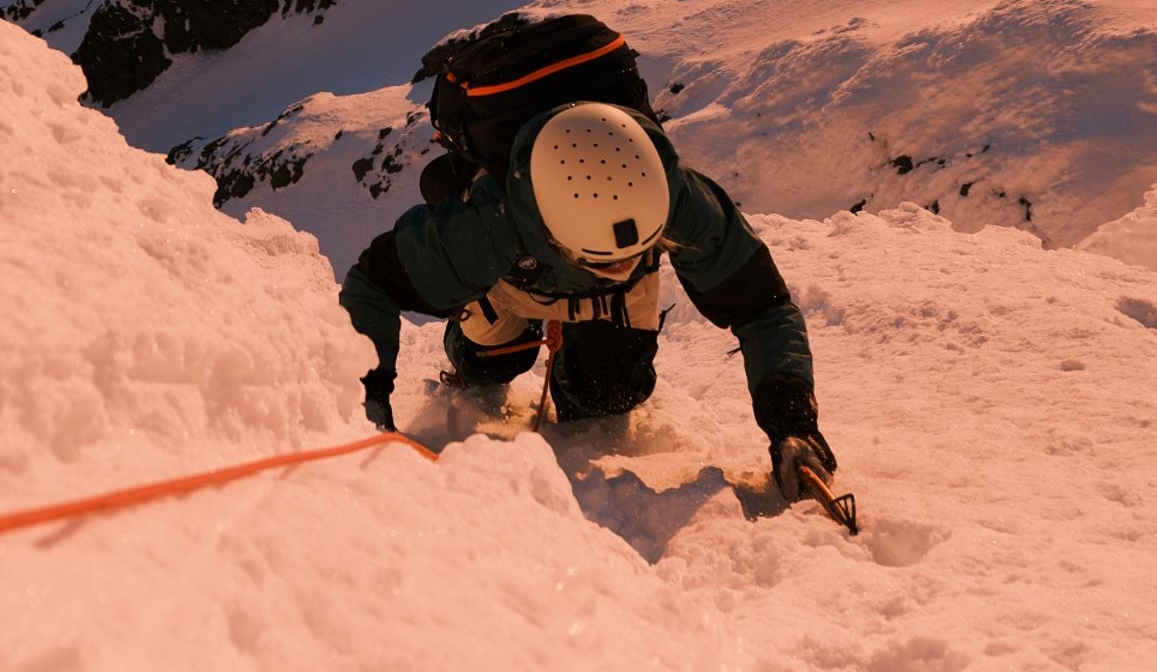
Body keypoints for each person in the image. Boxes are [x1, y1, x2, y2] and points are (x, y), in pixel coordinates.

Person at [338, 100, 837, 503]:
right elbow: (373, 284)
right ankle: (474, 354)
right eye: (607, 261)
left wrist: (792, 425)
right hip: (513, 280)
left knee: (607, 397)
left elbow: (762, 307)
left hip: (590, 288)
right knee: (493, 361)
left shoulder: (678, 199)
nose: (623, 267)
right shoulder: (486, 226)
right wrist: (370, 409)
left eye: (640, 252)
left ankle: (567, 360)